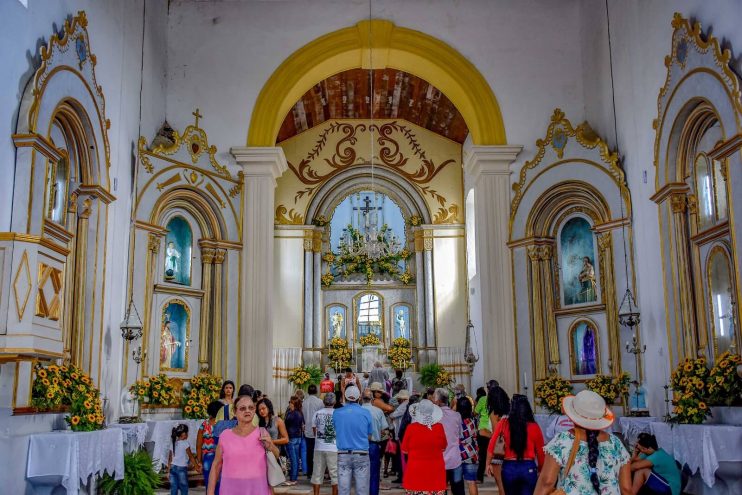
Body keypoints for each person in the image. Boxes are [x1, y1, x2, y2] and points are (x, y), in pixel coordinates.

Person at [534, 390, 632, 495]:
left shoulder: (563, 440)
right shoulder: (616, 443)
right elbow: (626, 488)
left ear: (573, 415)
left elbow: (546, 482)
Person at [207, 395, 279, 495]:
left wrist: (271, 446)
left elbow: (276, 455)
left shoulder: (262, 433)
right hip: (230, 490)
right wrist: (210, 492)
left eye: (251, 408)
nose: (247, 411)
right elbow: (216, 466)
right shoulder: (225, 436)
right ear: (235, 412)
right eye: (242, 408)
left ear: (254, 411)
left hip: (258, 489)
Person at [486, 394, 544, 495]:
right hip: (528, 467)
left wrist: (487, 464)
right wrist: (540, 469)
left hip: (509, 467)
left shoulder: (503, 423)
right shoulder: (534, 426)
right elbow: (540, 452)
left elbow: (491, 445)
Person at [401, 398, 448, 495]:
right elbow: (443, 447)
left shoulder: (411, 428)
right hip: (435, 474)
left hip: (415, 474)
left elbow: (404, 450)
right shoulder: (439, 427)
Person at [333, 386, 373, 495]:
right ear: (359, 397)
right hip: (361, 453)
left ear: (345, 397)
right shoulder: (366, 413)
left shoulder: (336, 413)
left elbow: (336, 431)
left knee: (343, 490)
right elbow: (369, 436)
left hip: (343, 454)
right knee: (362, 490)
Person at [433, 387, 465, 495]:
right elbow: (460, 435)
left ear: (437, 400)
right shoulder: (457, 415)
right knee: (458, 491)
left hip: (438, 460)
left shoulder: (432, 417)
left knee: (439, 491)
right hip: (455, 459)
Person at [480, 385, 510, 490]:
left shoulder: (494, 413)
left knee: (501, 484)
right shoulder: (510, 410)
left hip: (499, 450)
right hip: (511, 448)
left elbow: (497, 434)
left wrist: (484, 433)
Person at [311, 393, 339, 495]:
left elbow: (315, 431)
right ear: (334, 402)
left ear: (323, 402)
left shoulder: (317, 413)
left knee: (317, 474)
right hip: (334, 447)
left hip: (319, 447)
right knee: (334, 475)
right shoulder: (338, 414)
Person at [362, 388, 387, 495]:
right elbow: (384, 430)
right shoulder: (378, 411)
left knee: (360, 474)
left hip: (360, 445)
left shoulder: (358, 410)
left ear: (362, 399)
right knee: (374, 473)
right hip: (373, 445)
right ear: (372, 399)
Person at [197, 401, 222, 492]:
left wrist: (199, 461)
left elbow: (199, 444)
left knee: (209, 484)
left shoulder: (204, 425)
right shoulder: (224, 425)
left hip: (208, 456)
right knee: (221, 484)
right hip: (221, 457)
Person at [169, 423, 201, 495]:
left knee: (174, 488)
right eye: (187, 433)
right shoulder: (185, 443)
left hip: (173, 468)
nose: (187, 434)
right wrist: (196, 467)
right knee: (183, 487)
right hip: (181, 469)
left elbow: (170, 458)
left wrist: (168, 470)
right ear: (184, 434)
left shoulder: (173, 443)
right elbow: (191, 456)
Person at [457, 397, 479, 495]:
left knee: (458, 483)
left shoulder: (456, 422)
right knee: (471, 482)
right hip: (471, 453)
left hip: (458, 453)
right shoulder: (474, 421)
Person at [303, 384, 325, 479]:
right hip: (317, 431)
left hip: (307, 430)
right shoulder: (320, 402)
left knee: (309, 452)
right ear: (316, 391)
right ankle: (317, 472)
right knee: (318, 453)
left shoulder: (304, 402)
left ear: (308, 391)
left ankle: (309, 472)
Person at [389, 390, 410, 483]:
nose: (397, 399)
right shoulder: (406, 405)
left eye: (398, 398)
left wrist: (389, 412)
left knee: (401, 457)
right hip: (402, 433)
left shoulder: (404, 405)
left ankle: (402, 476)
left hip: (401, 434)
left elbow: (393, 415)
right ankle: (401, 475)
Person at [284, 395, 305, 486]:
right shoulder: (300, 413)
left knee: (293, 459)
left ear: (293, 403)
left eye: (290, 402)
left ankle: (293, 479)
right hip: (298, 437)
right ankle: (294, 477)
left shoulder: (291, 414)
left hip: (291, 438)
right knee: (296, 458)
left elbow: (285, 424)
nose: (289, 404)